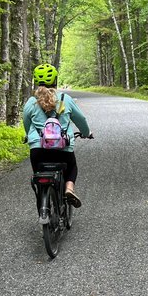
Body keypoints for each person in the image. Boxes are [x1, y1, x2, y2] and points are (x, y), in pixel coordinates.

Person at [23, 63, 92, 221]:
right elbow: (81, 119)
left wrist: (30, 136)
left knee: (39, 177)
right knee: (72, 167)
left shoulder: (31, 102)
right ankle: (69, 188)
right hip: (63, 148)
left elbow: (26, 123)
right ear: (55, 80)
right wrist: (87, 133)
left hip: (38, 149)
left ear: (36, 81)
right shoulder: (64, 99)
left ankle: (43, 209)